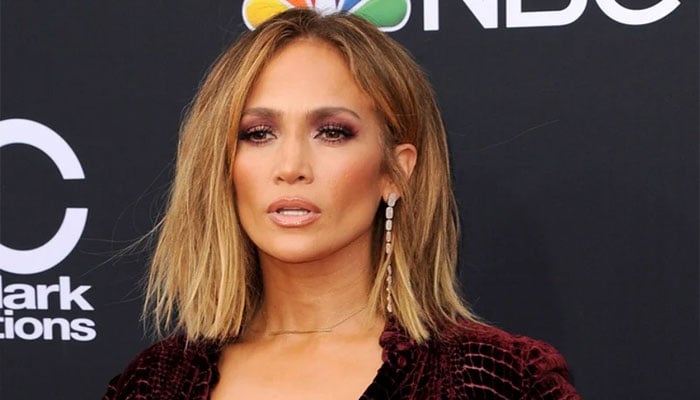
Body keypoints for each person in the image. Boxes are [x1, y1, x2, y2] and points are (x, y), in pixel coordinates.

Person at [104, 8, 580, 400]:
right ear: (222, 166)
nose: (291, 166)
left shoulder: (500, 380)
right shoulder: (153, 383)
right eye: (259, 133)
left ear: (396, 171)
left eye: (332, 132)